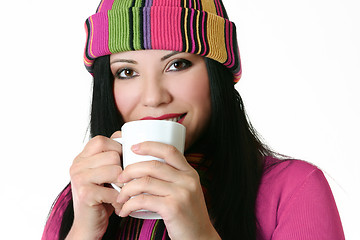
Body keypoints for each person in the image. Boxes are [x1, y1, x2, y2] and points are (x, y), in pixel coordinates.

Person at [42, 0, 345, 239]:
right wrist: (82, 232)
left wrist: (198, 234)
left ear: (217, 75)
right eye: (126, 72)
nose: (153, 97)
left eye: (178, 64)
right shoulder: (80, 201)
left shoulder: (293, 190)